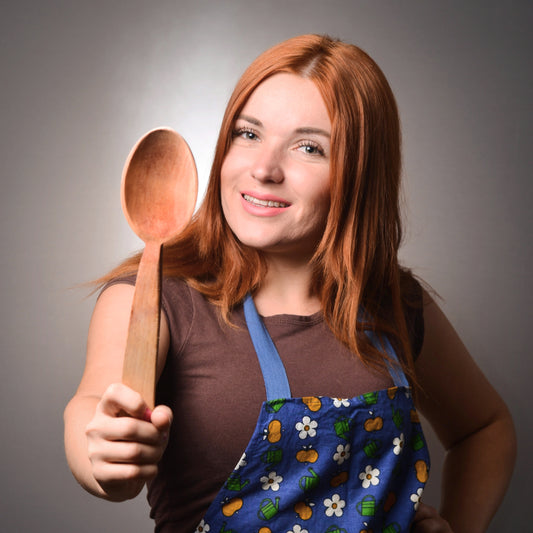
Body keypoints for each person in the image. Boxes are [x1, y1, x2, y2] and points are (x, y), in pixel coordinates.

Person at [64, 34, 516, 533]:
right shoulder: (156, 297)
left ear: (359, 173)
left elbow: (485, 429)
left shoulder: (395, 303)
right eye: (248, 134)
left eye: (308, 147)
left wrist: (460, 525)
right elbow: (93, 413)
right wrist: (105, 455)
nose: (263, 169)